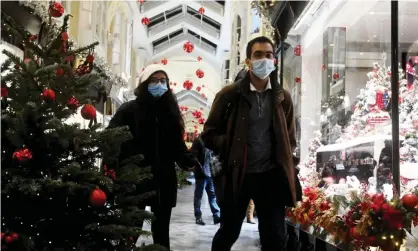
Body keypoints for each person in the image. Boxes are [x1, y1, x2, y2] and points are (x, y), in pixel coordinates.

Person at [202, 36, 302, 251]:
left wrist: (289, 165)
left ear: (274, 60)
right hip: (239, 174)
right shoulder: (229, 95)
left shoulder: (282, 97)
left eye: (268, 55)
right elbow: (208, 134)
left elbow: (290, 137)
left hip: (271, 176)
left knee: (275, 238)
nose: (264, 59)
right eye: (258, 55)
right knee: (228, 231)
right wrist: (231, 145)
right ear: (248, 60)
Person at [108, 64, 198, 250]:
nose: (159, 84)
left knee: (161, 233)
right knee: (130, 230)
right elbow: (112, 138)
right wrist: (115, 168)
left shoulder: (170, 113)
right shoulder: (129, 110)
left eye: (163, 81)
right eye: (154, 80)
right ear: (144, 84)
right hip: (135, 180)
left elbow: (177, 147)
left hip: (163, 181)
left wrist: (189, 161)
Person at [190, 135, 221, 225]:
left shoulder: (213, 140)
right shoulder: (199, 140)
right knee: (198, 196)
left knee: (212, 195)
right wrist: (199, 166)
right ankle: (198, 216)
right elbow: (193, 155)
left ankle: (216, 215)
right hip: (201, 174)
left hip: (211, 173)